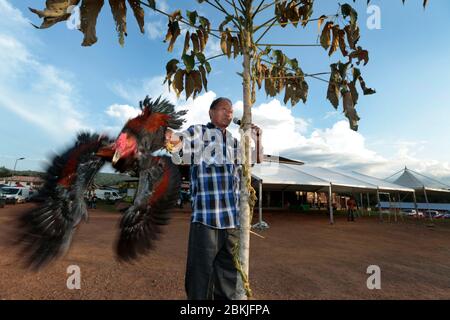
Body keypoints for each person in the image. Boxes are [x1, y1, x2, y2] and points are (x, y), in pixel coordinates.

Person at [166, 97, 260, 300]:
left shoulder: (235, 142)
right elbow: (180, 140)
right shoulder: (199, 132)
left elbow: (253, 161)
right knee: (200, 277)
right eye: (224, 109)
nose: (229, 113)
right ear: (211, 112)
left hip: (231, 222)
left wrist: (256, 137)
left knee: (227, 277)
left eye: (231, 111)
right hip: (206, 220)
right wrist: (170, 138)